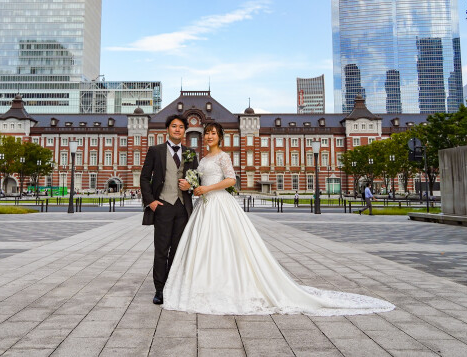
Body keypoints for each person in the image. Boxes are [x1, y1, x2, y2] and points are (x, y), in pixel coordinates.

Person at [163, 122, 393, 316]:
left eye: (214, 133)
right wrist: (195, 187)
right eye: (207, 133)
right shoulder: (202, 160)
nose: (210, 136)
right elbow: (197, 180)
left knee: (227, 245)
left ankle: (227, 285)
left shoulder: (223, 157)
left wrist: (207, 187)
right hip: (205, 206)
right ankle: (205, 285)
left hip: (219, 203)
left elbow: (231, 180)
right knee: (205, 246)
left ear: (220, 137)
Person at [140, 114, 199, 305]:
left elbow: (197, 180)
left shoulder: (190, 153)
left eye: (181, 127)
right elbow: (144, 178)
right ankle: (159, 289)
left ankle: (173, 286)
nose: (177, 130)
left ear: (184, 131)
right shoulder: (155, 150)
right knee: (161, 250)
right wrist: (151, 202)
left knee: (177, 250)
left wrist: (189, 186)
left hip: (182, 208)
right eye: (174, 126)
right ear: (168, 129)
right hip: (163, 206)